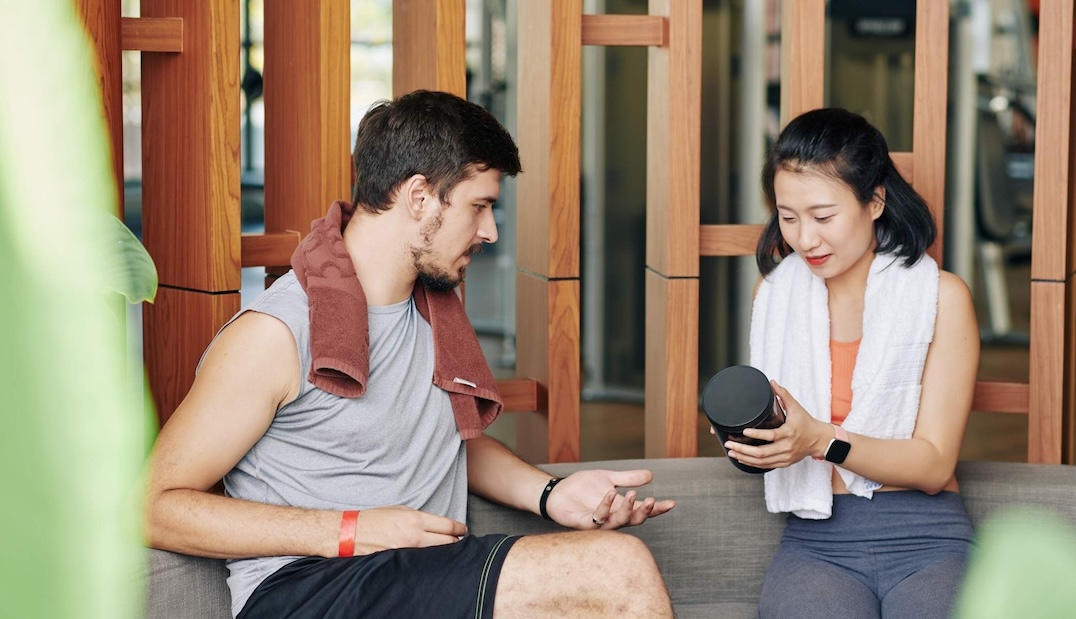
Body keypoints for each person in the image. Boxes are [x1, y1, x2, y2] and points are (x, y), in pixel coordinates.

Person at [146, 90, 676, 619]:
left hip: (418, 577)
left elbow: (439, 442)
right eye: (480, 206)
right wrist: (350, 529)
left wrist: (551, 494)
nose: (489, 231)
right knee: (615, 568)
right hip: (310, 590)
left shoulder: (432, 312)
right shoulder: (276, 335)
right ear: (420, 196)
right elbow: (153, 506)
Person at [724, 108, 980, 618]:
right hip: (818, 540)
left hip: (927, 536)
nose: (805, 239)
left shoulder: (940, 298)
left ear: (875, 200)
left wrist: (820, 438)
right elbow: (786, 427)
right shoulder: (775, 297)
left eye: (823, 217)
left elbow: (932, 465)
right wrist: (759, 440)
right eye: (788, 218)